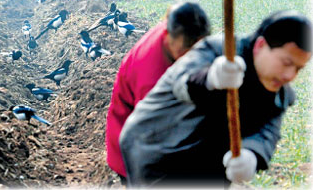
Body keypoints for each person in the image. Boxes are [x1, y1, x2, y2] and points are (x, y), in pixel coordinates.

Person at [119, 10, 312, 187]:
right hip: (157, 147)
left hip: (207, 159)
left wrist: (252, 154)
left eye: (298, 68)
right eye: (286, 63)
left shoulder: (280, 93)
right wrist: (210, 78)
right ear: (261, 45)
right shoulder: (217, 51)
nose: (290, 76)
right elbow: (181, 84)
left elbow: (267, 132)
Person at [106, 1, 211, 184]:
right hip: (135, 148)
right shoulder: (151, 75)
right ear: (168, 36)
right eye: (183, 52)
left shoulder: (179, 27)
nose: (190, 59)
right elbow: (154, 134)